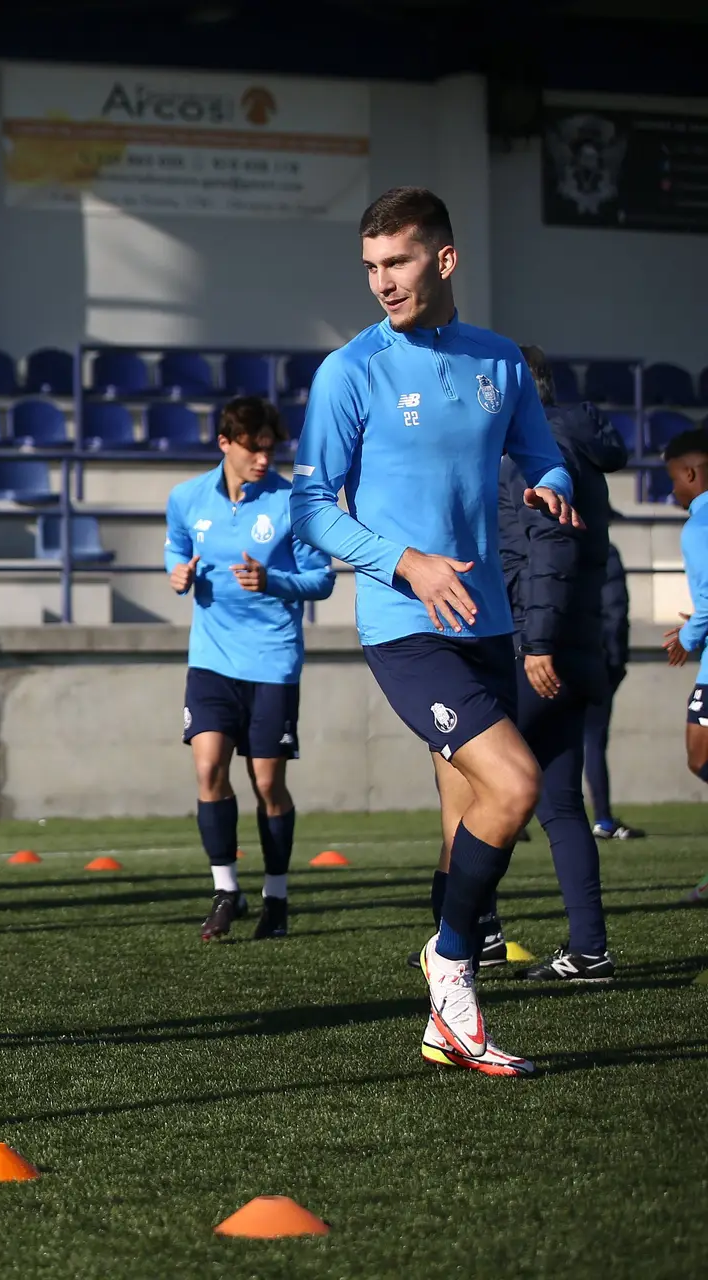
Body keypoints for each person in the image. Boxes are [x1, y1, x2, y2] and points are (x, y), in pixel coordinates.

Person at [292, 187, 577, 1077]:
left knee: (466, 824)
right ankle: (451, 963)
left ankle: (444, 1023)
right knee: (517, 786)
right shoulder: (350, 370)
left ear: (444, 260)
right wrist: (403, 561)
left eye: (399, 263)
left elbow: (540, 447)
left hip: (487, 621)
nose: (383, 282)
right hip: (405, 624)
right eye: (371, 267)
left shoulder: (499, 362)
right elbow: (309, 507)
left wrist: (553, 478)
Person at [165, 397, 334, 943]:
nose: (264, 458)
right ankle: (225, 891)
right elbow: (174, 546)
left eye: (270, 448)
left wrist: (274, 581)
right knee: (209, 770)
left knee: (267, 783)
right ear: (225, 444)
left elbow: (321, 579)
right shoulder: (186, 497)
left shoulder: (293, 502)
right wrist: (177, 572)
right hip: (211, 658)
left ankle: (277, 898)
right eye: (253, 448)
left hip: (272, 660)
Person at [499, 346, 627, 981]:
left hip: (538, 648)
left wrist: (534, 644)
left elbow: (548, 548)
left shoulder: (535, 448)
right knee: (560, 804)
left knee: (472, 783)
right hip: (572, 647)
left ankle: (470, 935)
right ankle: (589, 948)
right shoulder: (576, 444)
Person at [657, 430, 708, 906]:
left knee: (699, 755)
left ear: (690, 474)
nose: (672, 489)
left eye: (673, 479)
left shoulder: (699, 525)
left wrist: (690, 638)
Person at [586, 543, 645, 839]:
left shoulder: (540, 546)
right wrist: (616, 661)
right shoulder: (603, 552)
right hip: (594, 659)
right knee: (593, 742)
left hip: (544, 659)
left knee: (546, 746)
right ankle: (604, 820)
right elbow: (615, 611)